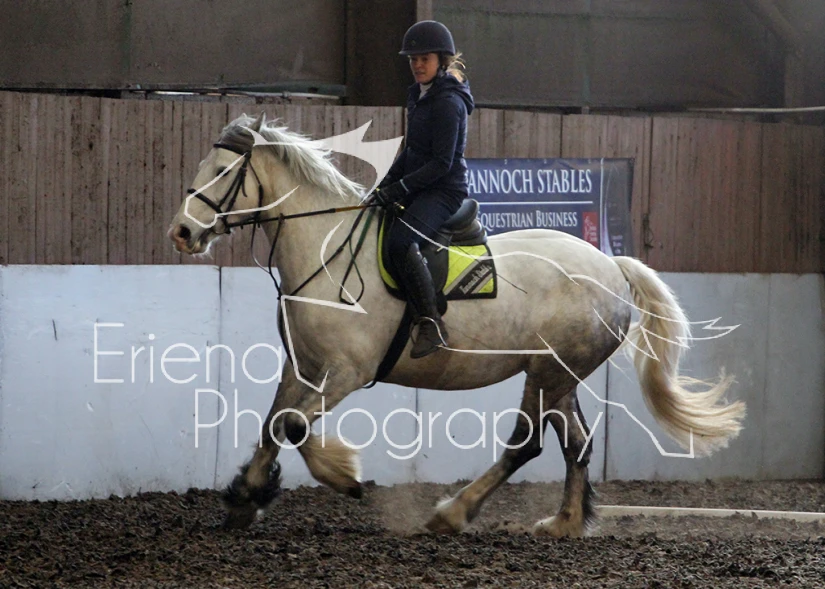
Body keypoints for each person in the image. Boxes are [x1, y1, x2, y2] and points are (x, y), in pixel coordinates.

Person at [374, 20, 475, 359]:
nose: (418, 65)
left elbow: (441, 163)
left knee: (401, 242)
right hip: (422, 183)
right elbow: (411, 151)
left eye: (425, 59)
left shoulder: (448, 103)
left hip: (444, 190)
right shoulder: (419, 94)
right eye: (413, 59)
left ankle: (432, 324)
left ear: (441, 61)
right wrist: (385, 186)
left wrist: (401, 188)